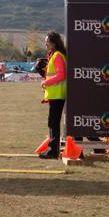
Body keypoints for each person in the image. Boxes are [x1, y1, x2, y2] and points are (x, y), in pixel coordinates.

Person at [38, 31, 67, 159]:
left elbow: (61, 75)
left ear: (54, 43)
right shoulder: (55, 55)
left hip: (58, 94)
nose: (45, 44)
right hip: (56, 94)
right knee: (52, 122)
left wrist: (46, 82)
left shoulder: (58, 56)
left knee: (53, 123)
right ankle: (53, 150)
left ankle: (53, 151)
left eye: (47, 42)